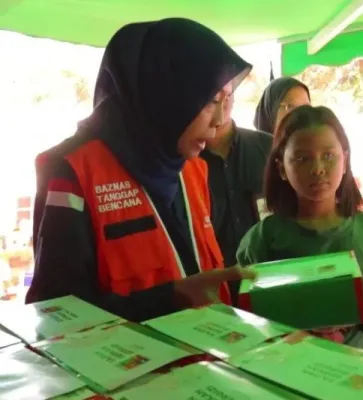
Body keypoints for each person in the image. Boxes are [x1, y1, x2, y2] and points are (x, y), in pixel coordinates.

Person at [26, 18, 256, 322]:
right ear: (164, 94)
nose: (220, 120)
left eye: (227, 100)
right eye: (212, 100)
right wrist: (168, 299)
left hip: (210, 348)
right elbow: (56, 313)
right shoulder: (74, 172)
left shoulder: (192, 168)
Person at [237, 105, 363, 351]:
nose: (318, 168)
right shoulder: (262, 239)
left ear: (345, 160)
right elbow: (244, 312)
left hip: (356, 367)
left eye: (328, 155)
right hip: (285, 364)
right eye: (303, 159)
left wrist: (362, 311)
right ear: (282, 168)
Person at [200, 91, 272, 305]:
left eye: (227, 96)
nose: (221, 108)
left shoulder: (268, 148)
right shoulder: (184, 161)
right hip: (211, 293)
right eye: (212, 99)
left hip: (269, 283)